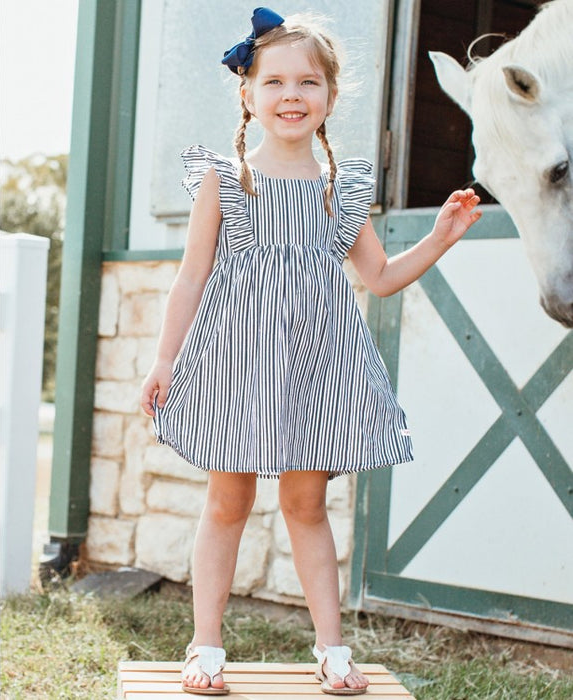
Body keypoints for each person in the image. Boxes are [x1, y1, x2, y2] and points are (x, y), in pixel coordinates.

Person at [141, 7, 481, 695]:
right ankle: (205, 644)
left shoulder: (340, 188)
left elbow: (379, 278)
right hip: (236, 364)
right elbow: (190, 277)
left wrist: (441, 237)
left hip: (313, 369)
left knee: (305, 507)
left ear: (330, 95)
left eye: (307, 82)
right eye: (274, 82)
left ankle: (333, 650)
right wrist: (164, 358)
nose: (290, 95)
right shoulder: (225, 179)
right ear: (248, 94)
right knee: (225, 504)